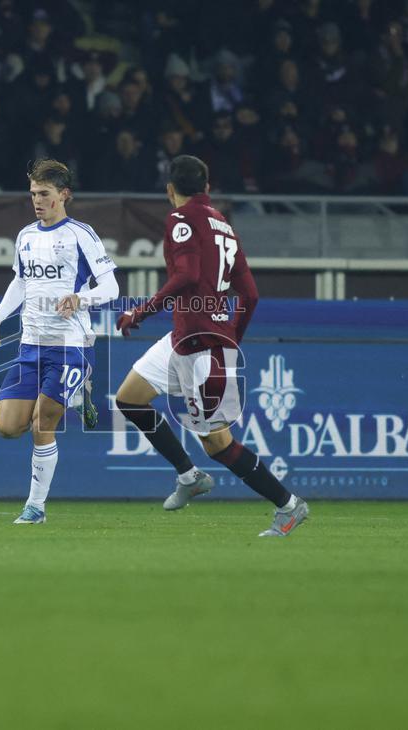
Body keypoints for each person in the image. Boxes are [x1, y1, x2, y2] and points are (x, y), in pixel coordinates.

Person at [113, 155, 309, 538]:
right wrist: (232, 335)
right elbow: (250, 294)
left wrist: (140, 312)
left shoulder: (180, 219)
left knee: (218, 444)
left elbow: (187, 275)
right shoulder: (224, 226)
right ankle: (189, 475)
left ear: (171, 190)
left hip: (201, 346)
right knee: (129, 398)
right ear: (208, 187)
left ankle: (289, 505)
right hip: (186, 339)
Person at [0, 159, 118, 525]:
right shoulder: (25, 236)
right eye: (33, 194)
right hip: (30, 346)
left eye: (44, 194)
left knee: (43, 422)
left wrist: (80, 298)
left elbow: (112, 286)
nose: (37, 201)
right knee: (8, 427)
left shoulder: (81, 234)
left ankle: (35, 507)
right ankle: (75, 396)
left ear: (64, 195)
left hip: (70, 345)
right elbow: (21, 283)